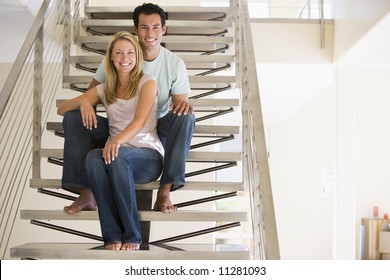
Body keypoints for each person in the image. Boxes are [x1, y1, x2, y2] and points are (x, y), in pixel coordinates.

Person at [59, 3, 195, 214]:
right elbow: (90, 96)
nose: (150, 33)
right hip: (117, 126)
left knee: (186, 118)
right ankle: (85, 192)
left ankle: (165, 190)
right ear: (135, 29)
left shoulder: (174, 64)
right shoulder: (120, 58)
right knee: (73, 117)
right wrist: (85, 101)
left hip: (155, 129)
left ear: (164, 30)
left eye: (155, 27)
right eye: (144, 27)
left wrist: (183, 104)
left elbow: (179, 104)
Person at [58, 31, 164, 250]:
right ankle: (112, 236)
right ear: (111, 58)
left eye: (129, 52)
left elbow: (139, 120)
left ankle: (133, 235)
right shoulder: (105, 88)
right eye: (119, 53)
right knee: (92, 157)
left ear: (137, 56)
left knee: (115, 158)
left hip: (147, 155)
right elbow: (62, 109)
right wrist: (86, 102)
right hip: (116, 154)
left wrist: (115, 142)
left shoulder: (148, 82)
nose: (125, 58)